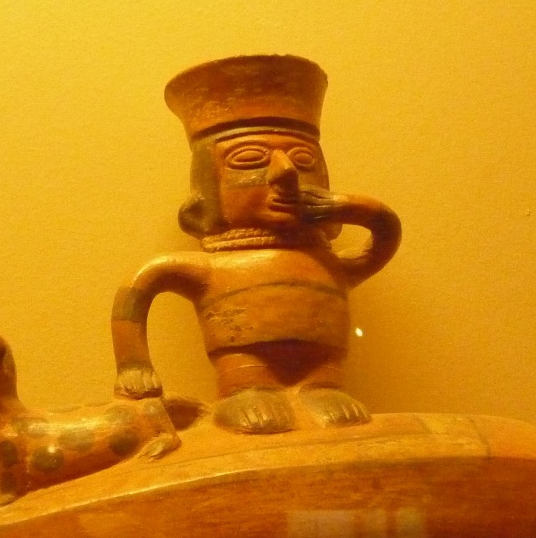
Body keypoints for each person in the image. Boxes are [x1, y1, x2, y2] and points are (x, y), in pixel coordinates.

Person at [111, 55, 401, 434]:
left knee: (331, 404)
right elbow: (138, 287)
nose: (286, 172)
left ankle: (320, 388)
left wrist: (345, 205)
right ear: (208, 187)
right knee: (253, 395)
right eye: (250, 159)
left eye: (303, 159)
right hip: (244, 372)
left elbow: (385, 233)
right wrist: (133, 365)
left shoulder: (328, 264)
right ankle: (248, 391)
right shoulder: (211, 268)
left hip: (324, 368)